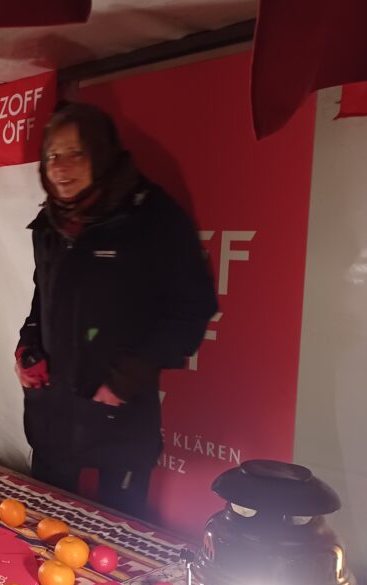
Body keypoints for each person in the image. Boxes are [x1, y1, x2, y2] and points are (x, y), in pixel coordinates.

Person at [16, 103, 217, 518]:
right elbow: (42, 295)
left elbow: (192, 307)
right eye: (52, 156)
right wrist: (28, 344)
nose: (61, 167)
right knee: (45, 525)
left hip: (121, 412)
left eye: (76, 153)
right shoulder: (49, 223)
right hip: (55, 413)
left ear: (101, 153)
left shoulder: (152, 217)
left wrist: (129, 376)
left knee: (120, 532)